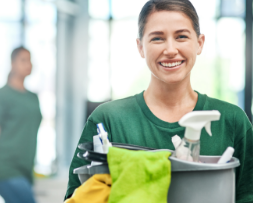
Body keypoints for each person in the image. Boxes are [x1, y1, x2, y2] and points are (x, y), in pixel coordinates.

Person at [65, 0, 253, 202]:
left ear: (199, 43)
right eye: (157, 38)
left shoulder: (232, 121)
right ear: (140, 47)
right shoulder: (108, 120)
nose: (170, 50)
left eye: (181, 36)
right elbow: (75, 197)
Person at [0, 47, 42, 203]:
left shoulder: (33, 97)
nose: (28, 64)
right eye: (23, 60)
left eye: (30, 60)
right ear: (12, 64)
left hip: (26, 168)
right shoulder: (3, 95)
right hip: (6, 166)